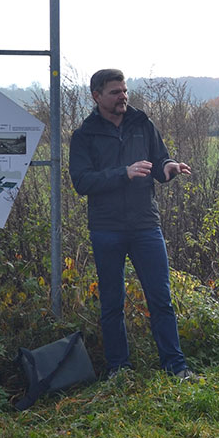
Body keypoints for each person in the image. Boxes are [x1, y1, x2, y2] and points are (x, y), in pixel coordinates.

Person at [69, 69, 195, 380]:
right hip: (106, 228)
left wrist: (170, 168)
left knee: (161, 299)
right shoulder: (84, 135)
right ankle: (119, 370)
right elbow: (82, 181)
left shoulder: (143, 124)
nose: (123, 96)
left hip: (145, 226)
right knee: (112, 303)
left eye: (124, 91)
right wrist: (123, 173)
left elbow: (160, 160)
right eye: (115, 92)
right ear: (97, 96)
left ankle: (175, 367)